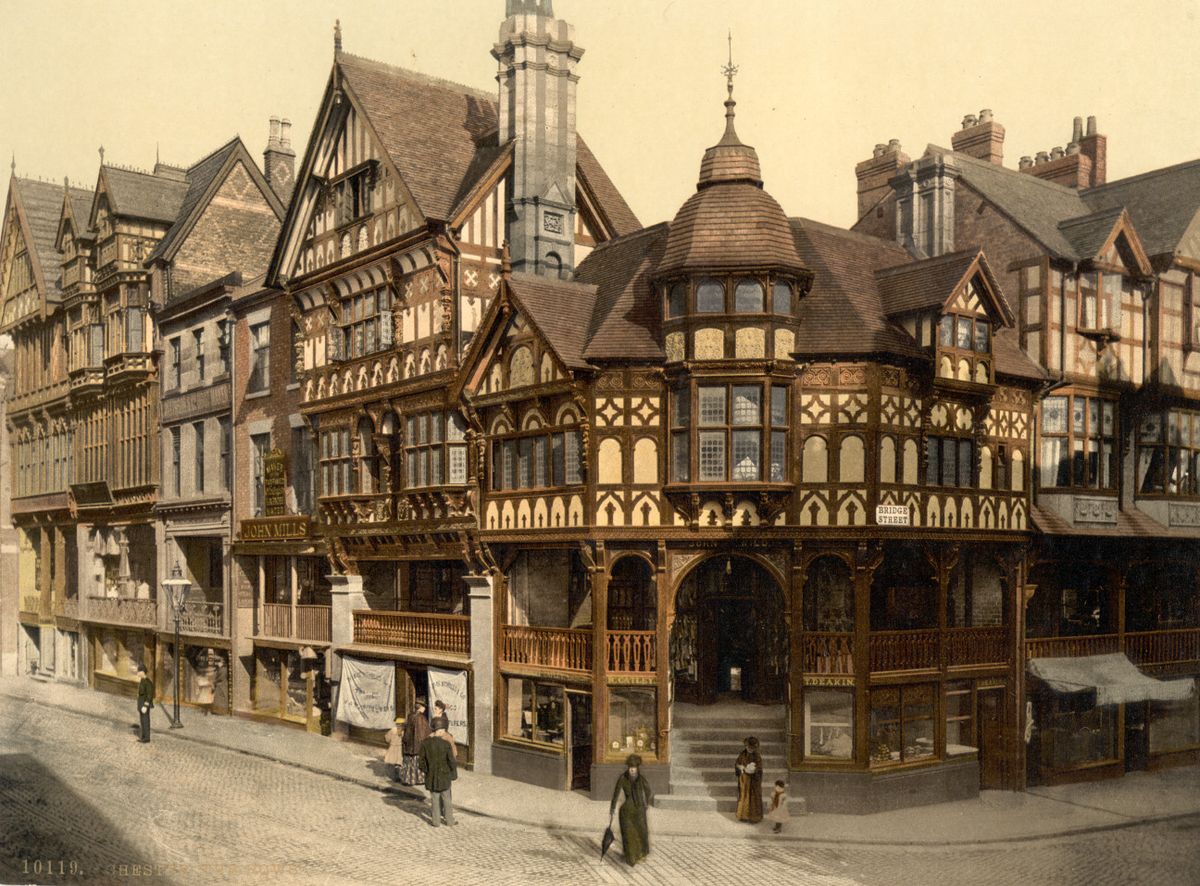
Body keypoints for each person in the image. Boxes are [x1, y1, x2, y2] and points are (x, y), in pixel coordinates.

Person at [609, 754, 653, 866]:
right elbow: (616, 793)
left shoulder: (641, 779)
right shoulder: (623, 778)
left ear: (637, 768)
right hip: (626, 812)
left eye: (633, 768)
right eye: (630, 768)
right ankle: (631, 858)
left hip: (639, 810)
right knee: (629, 835)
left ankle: (641, 854)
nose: (631, 770)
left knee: (641, 832)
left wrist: (646, 803)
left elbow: (648, 792)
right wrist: (612, 808)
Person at [418, 725, 458, 827]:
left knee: (434, 799)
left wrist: (427, 771)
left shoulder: (425, 744)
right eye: (443, 731)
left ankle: (436, 822)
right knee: (447, 799)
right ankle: (450, 821)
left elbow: (421, 761)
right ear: (439, 731)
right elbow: (452, 761)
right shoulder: (446, 744)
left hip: (431, 776)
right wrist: (453, 774)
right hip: (444, 775)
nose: (444, 733)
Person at [399, 700, 431, 785]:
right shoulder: (421, 718)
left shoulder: (410, 716)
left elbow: (406, 730)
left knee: (409, 762)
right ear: (420, 708)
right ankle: (419, 780)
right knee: (417, 762)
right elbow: (423, 733)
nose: (425, 708)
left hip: (409, 744)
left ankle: (408, 779)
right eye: (424, 707)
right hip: (418, 745)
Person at [735, 736, 763, 823]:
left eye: (751, 748)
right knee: (744, 796)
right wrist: (740, 767)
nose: (749, 749)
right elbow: (737, 763)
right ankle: (743, 815)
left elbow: (759, 768)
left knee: (754, 798)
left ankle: (754, 817)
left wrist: (753, 770)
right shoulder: (742, 754)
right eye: (747, 747)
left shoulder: (757, 756)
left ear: (754, 748)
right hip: (744, 780)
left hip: (754, 780)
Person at [136, 666, 154, 743]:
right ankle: (143, 736)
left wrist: (145, 706)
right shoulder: (142, 681)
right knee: (142, 721)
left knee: (145, 721)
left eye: (138, 671)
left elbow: (149, 695)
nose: (137, 673)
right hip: (141, 704)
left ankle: (147, 738)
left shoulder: (148, 682)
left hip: (144, 705)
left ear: (142, 672)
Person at [383, 716, 405, 781]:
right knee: (398, 762)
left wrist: (389, 742)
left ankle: (395, 776)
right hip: (400, 748)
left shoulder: (392, 730)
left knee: (393, 761)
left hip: (393, 747)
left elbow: (387, 738)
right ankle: (398, 776)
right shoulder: (404, 731)